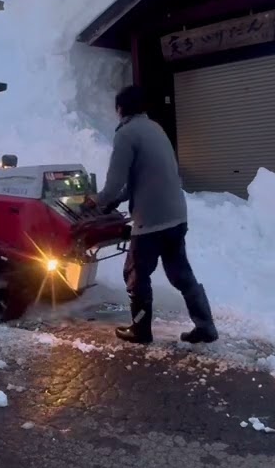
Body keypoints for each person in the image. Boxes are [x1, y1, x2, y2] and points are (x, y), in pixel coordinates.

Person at [84, 83, 218, 345]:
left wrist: (97, 201)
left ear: (120, 108)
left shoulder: (126, 134)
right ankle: (206, 326)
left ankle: (140, 330)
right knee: (180, 274)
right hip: (176, 216)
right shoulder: (154, 128)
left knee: (135, 274)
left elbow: (114, 183)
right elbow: (144, 178)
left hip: (152, 222)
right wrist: (118, 200)